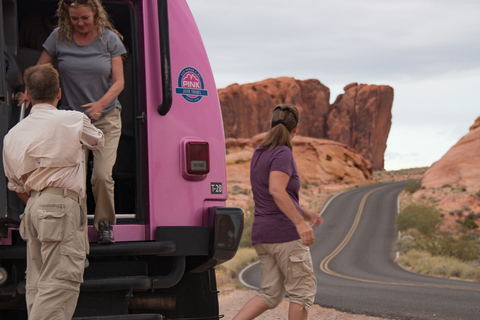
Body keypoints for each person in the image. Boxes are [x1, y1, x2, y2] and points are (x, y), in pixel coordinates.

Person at [17, 0, 126, 243]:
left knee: (100, 175)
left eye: (84, 18)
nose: (80, 23)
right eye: (74, 18)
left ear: (94, 13)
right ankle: (76, 228)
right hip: (70, 121)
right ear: (67, 16)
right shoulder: (59, 37)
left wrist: (100, 104)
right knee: (74, 178)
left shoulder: (109, 39)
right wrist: (27, 93)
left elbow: (119, 82)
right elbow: (39, 70)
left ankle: (105, 224)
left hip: (105, 117)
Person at [3, 63, 104, 320]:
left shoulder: (12, 136)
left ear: (27, 94)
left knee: (38, 284)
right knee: (60, 283)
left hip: (33, 208)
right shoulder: (72, 120)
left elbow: (15, 186)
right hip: (60, 206)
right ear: (59, 93)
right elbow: (98, 141)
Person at [232, 104, 323, 320]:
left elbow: (272, 191)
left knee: (270, 295)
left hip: (262, 235)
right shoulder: (283, 152)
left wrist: (304, 210)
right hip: (285, 235)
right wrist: (300, 223)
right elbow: (275, 189)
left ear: (270, 124)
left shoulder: (259, 152)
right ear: (296, 129)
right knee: (301, 293)